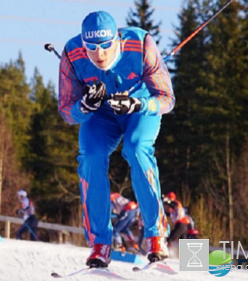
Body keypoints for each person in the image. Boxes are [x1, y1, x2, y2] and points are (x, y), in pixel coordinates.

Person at [58, 11, 175, 267]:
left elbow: (167, 99)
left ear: (117, 39)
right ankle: (100, 243)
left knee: (135, 148)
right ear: (83, 43)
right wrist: (84, 106)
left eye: (105, 46)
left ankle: (156, 236)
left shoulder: (141, 44)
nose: (99, 54)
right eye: (91, 47)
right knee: (90, 156)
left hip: (138, 110)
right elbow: (67, 111)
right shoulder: (72, 53)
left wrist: (138, 103)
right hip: (101, 116)